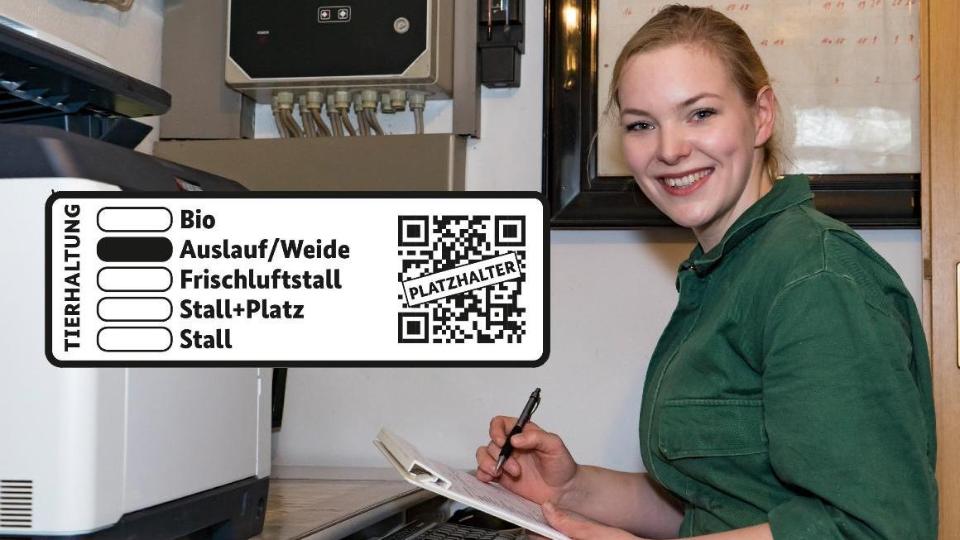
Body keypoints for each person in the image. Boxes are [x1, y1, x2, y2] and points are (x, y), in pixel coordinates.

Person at [476, 5, 937, 540]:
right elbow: (719, 510)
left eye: (700, 114)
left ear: (761, 115)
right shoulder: (726, 270)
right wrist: (569, 490)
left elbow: (876, 530)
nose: (670, 150)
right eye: (642, 125)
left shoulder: (816, 277)